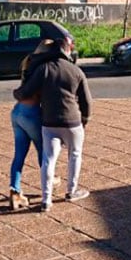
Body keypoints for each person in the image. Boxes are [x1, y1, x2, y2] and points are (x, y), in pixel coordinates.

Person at [13, 37, 92, 212]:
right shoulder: (76, 71)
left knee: (49, 159)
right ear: (67, 51)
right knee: (75, 155)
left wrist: (16, 93)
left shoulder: (44, 69)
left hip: (49, 122)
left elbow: (25, 91)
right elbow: (86, 101)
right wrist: (84, 120)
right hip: (72, 121)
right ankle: (71, 191)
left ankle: (46, 200)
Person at [8, 39, 58, 210]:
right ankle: (49, 181)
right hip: (31, 112)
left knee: (19, 155)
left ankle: (15, 193)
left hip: (17, 112)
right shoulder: (43, 67)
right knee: (43, 151)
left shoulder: (28, 61)